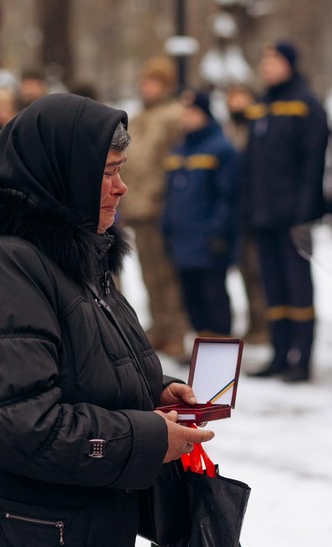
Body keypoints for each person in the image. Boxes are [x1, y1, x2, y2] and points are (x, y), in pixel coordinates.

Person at [0, 94, 214, 546]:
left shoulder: (73, 254)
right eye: (107, 172)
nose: (121, 187)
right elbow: (18, 426)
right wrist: (145, 438)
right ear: (62, 175)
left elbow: (77, 360)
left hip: (52, 523)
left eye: (121, 170)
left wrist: (152, 392)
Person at [242, 41, 328, 382]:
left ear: (290, 64)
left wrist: (304, 211)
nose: (267, 67)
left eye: (274, 60)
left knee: (297, 287)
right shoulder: (260, 106)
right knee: (273, 286)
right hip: (263, 214)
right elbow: (250, 164)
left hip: (294, 216)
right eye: (264, 61)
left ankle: (301, 359)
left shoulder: (306, 104)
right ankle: (279, 354)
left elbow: (314, 163)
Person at [118, 56, 190, 358]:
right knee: (149, 272)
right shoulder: (138, 116)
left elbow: (179, 160)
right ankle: (159, 326)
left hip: (162, 205)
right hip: (137, 205)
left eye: (153, 82)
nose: (145, 87)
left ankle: (176, 330)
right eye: (144, 81)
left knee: (167, 274)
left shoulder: (174, 116)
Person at [162, 90, 239, 338]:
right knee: (192, 300)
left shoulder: (221, 149)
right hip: (182, 240)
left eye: (192, 111)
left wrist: (219, 231)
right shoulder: (178, 151)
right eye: (184, 111)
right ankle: (203, 345)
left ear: (205, 114)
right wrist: (167, 226)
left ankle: (221, 350)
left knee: (214, 299)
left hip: (208, 242)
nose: (187, 117)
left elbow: (228, 196)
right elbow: (171, 194)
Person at [223, 83, 270, 344]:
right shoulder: (229, 129)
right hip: (236, 211)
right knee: (244, 269)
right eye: (232, 98)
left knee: (258, 272)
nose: (236, 103)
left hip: (255, 209)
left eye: (241, 97)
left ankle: (264, 324)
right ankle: (254, 321)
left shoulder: (257, 128)